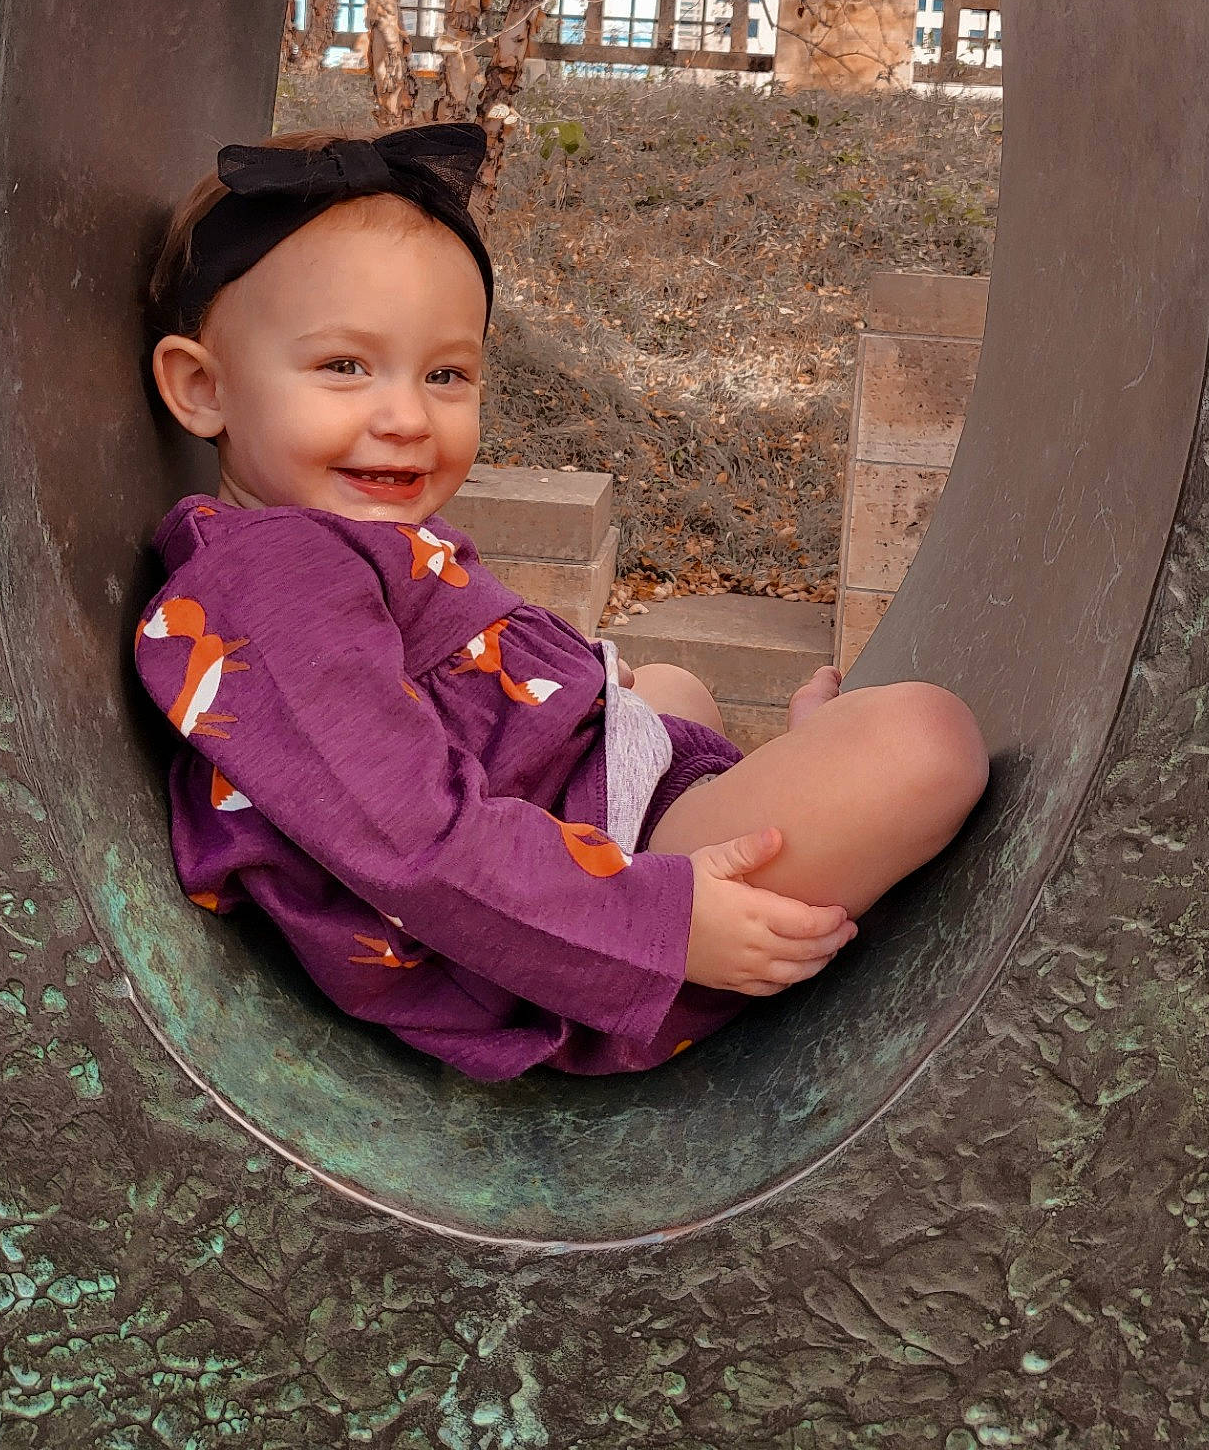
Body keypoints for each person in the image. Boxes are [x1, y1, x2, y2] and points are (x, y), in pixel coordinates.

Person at [135, 122, 988, 1083]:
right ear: (200, 388)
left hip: (583, 837)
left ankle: (765, 785)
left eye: (446, 374)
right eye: (344, 367)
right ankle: (780, 806)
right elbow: (409, 842)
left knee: (669, 684)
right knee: (925, 739)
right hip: (559, 946)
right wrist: (662, 928)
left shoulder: (324, 544)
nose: (407, 416)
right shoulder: (272, 579)